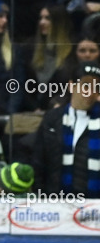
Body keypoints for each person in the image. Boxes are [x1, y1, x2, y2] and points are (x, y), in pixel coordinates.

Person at [30, 62, 100, 198]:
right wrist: (43, 199)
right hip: (57, 206)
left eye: (96, 86)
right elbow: (39, 162)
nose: (91, 92)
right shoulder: (52, 119)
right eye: (86, 85)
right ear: (71, 85)